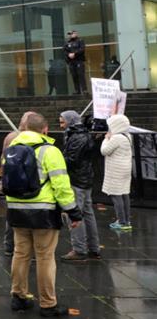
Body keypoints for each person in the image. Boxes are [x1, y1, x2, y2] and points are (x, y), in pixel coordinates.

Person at [6, 112, 82, 317]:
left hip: (16, 210)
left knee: (20, 253)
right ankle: (48, 304)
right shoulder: (50, 151)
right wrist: (73, 212)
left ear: (24, 128)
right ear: (45, 129)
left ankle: (19, 297)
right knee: (45, 257)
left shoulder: (11, 148)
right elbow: (61, 185)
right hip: (43, 212)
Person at [59, 110, 101, 261]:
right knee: (88, 213)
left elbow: (72, 159)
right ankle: (93, 247)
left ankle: (79, 249)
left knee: (75, 213)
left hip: (77, 179)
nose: (61, 125)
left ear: (70, 121)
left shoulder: (77, 137)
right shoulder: (82, 134)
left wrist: (57, 159)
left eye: (62, 122)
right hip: (84, 178)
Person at [2, 111, 33, 256]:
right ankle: (13, 246)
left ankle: (9, 246)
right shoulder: (18, 137)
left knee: (12, 214)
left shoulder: (11, 136)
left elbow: (3, 158)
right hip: (24, 182)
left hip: (12, 182)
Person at [101, 114, 133, 231]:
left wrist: (106, 139)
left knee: (115, 195)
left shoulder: (116, 138)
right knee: (124, 194)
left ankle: (122, 222)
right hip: (125, 169)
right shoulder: (128, 136)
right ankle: (126, 221)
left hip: (116, 170)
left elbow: (104, 151)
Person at [64, 30, 86, 94]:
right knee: (74, 75)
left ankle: (84, 90)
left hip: (79, 60)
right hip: (71, 62)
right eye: (69, 34)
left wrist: (74, 53)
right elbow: (64, 50)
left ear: (75, 34)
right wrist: (68, 54)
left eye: (71, 34)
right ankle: (77, 90)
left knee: (81, 75)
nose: (70, 35)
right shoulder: (67, 42)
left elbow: (82, 49)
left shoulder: (80, 40)